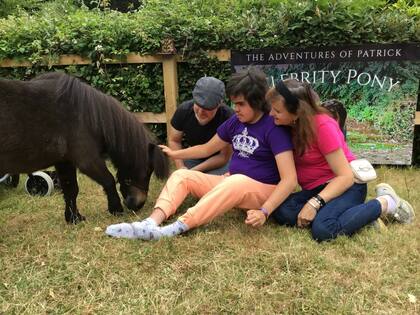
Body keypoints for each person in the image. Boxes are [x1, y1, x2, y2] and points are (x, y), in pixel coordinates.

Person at [105, 67, 297, 240]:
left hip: (261, 191)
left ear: (256, 102)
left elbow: (289, 180)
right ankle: (150, 223)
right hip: (232, 182)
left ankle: (174, 228)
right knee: (182, 175)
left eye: (240, 104)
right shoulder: (236, 122)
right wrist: (175, 154)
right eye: (233, 104)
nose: (235, 109)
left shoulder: (274, 128)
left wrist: (264, 211)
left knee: (236, 182)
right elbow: (207, 148)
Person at [266, 79, 415, 242]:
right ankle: (355, 217)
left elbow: (346, 177)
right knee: (282, 211)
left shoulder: (322, 126)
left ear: (297, 111)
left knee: (323, 231)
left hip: (346, 186)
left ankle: (387, 203)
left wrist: (313, 205)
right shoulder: (288, 126)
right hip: (316, 188)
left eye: (277, 111)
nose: (271, 114)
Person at [169, 76, 234, 175]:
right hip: (193, 156)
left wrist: (193, 172)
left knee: (215, 184)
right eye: (198, 105)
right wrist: (181, 168)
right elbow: (174, 140)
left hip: (220, 161)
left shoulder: (229, 118)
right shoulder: (183, 110)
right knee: (183, 182)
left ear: (219, 103)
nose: (200, 112)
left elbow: (223, 157)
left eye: (207, 108)